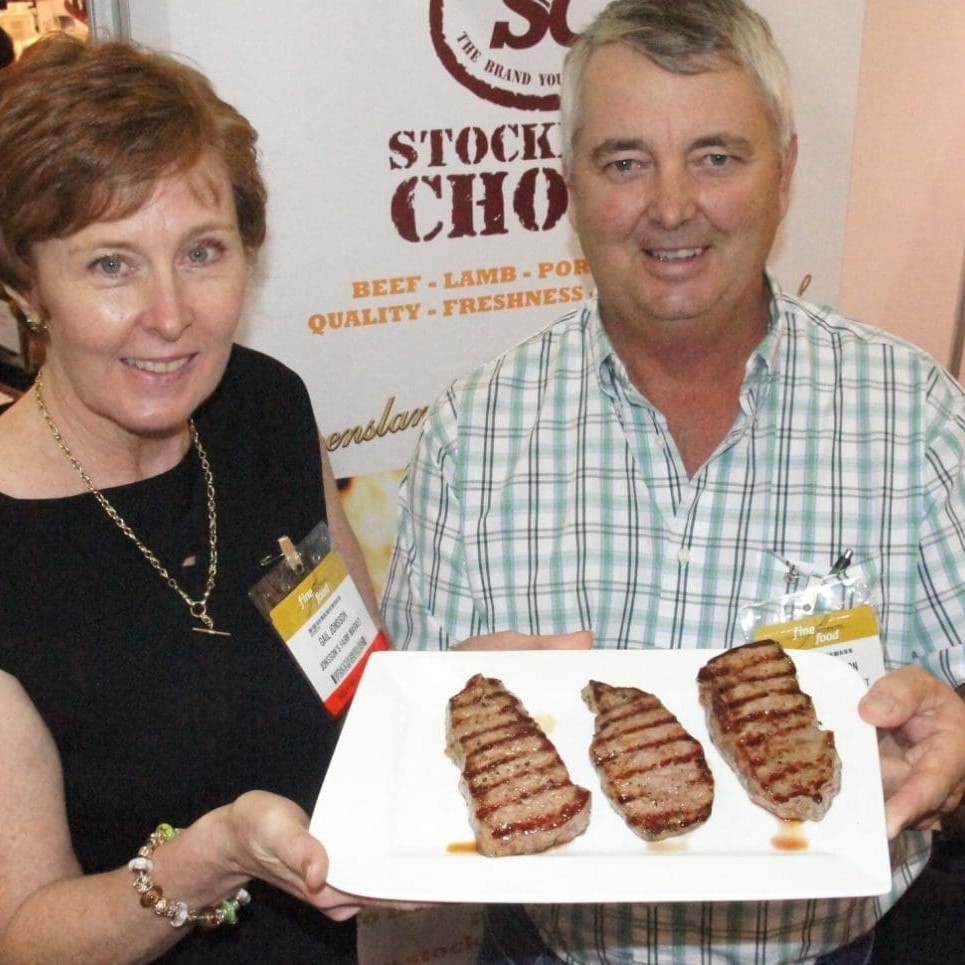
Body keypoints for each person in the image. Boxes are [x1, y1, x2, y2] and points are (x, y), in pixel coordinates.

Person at [381, 0, 965, 961]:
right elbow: (412, 748)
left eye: (715, 156)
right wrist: (427, 721)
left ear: (783, 167)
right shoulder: (473, 432)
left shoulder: (916, 418)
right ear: (568, 180)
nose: (669, 205)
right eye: (623, 161)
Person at [0, 34, 388, 962]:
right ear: (25, 283)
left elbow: (358, 673)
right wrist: (207, 859)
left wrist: (471, 691)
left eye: (202, 251)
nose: (170, 314)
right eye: (110, 264)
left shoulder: (266, 408)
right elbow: (23, 934)